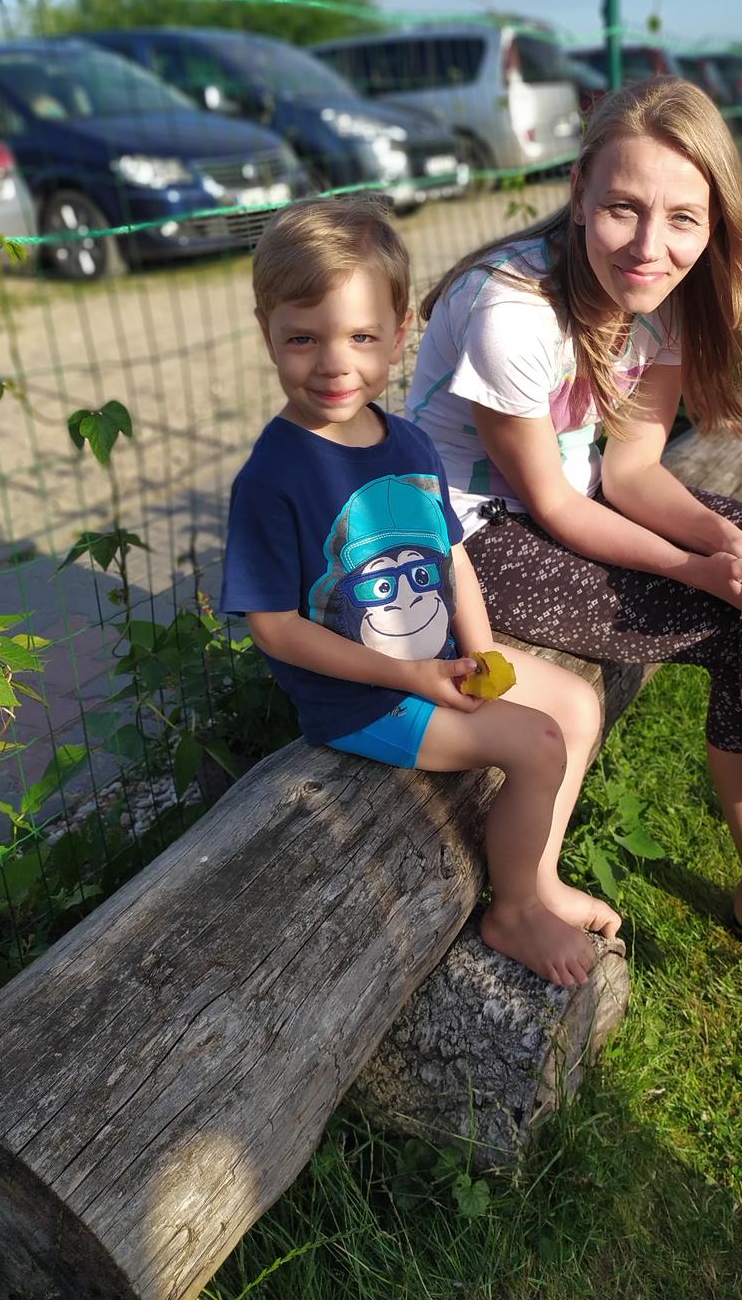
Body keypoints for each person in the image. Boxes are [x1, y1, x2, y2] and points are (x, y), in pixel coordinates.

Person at [405, 77, 742, 1027]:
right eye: (623, 209)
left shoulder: (664, 294)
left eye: (683, 218)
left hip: (559, 511)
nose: (650, 246)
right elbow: (554, 503)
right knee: (740, 615)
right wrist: (701, 572)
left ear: (715, 220)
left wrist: (734, 546)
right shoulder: (510, 311)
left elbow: (633, 472)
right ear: (578, 193)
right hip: (462, 543)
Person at [220, 196, 619, 988]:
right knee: (538, 743)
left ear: (401, 332)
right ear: (266, 331)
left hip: (432, 665)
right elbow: (274, 628)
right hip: (360, 700)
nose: (335, 364)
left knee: (575, 706)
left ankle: (538, 879)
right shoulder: (272, 476)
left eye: (362, 337)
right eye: (303, 338)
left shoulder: (406, 442)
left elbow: (453, 556)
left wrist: (483, 654)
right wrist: (413, 676)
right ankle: (513, 911)